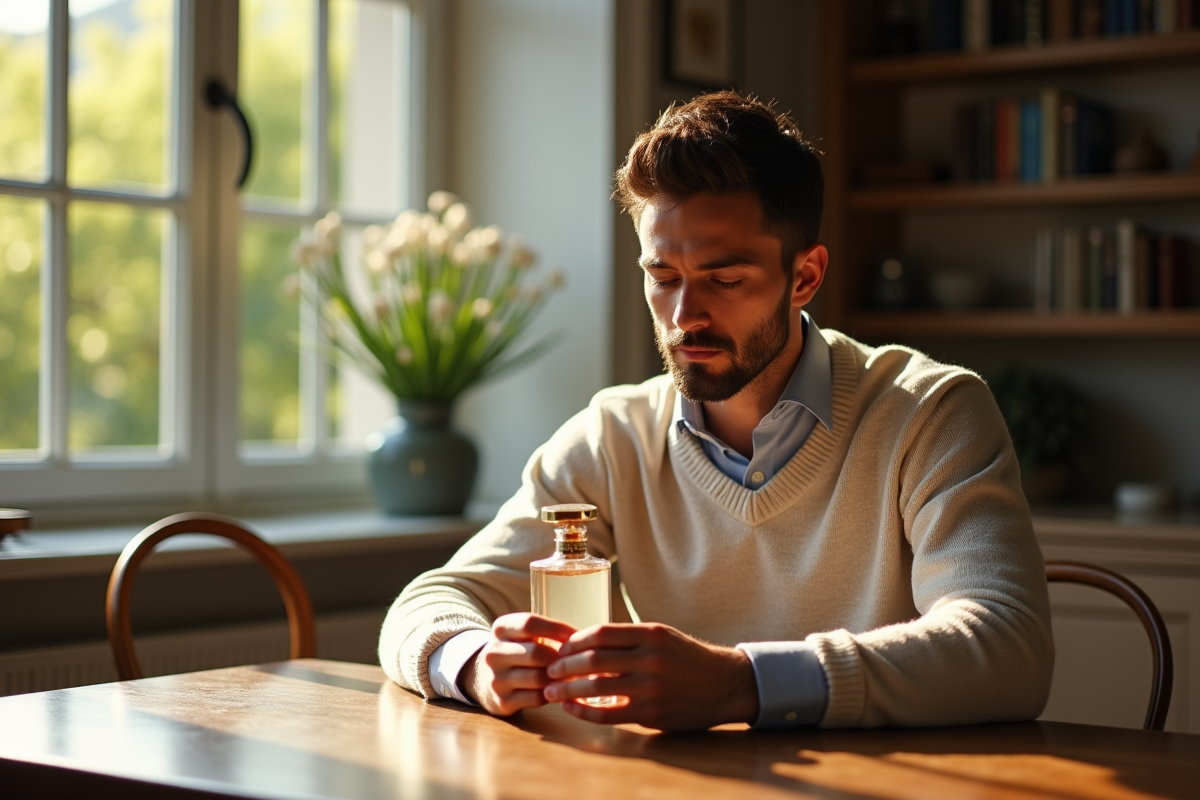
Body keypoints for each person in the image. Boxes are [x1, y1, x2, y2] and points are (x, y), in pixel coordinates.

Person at [378, 91, 1053, 731]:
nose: (682, 316)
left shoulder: (929, 413)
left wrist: (740, 683)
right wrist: (470, 662)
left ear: (806, 277)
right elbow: (427, 604)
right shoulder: (614, 438)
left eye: (724, 279)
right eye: (661, 277)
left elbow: (1007, 648)